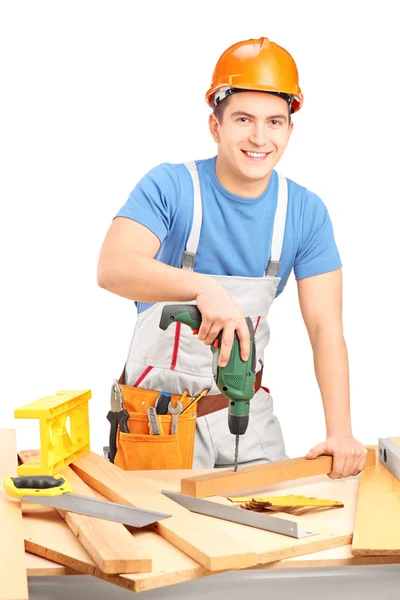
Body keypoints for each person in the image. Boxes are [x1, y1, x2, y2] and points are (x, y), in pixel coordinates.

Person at [97, 37, 368, 478]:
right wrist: (205, 288)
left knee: (271, 529)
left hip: (247, 411)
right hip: (159, 419)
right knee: (162, 538)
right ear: (215, 125)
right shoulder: (171, 187)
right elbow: (113, 267)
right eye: (243, 119)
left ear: (289, 129)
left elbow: (325, 328)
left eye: (274, 122)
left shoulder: (303, 211)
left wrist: (340, 431)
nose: (260, 137)